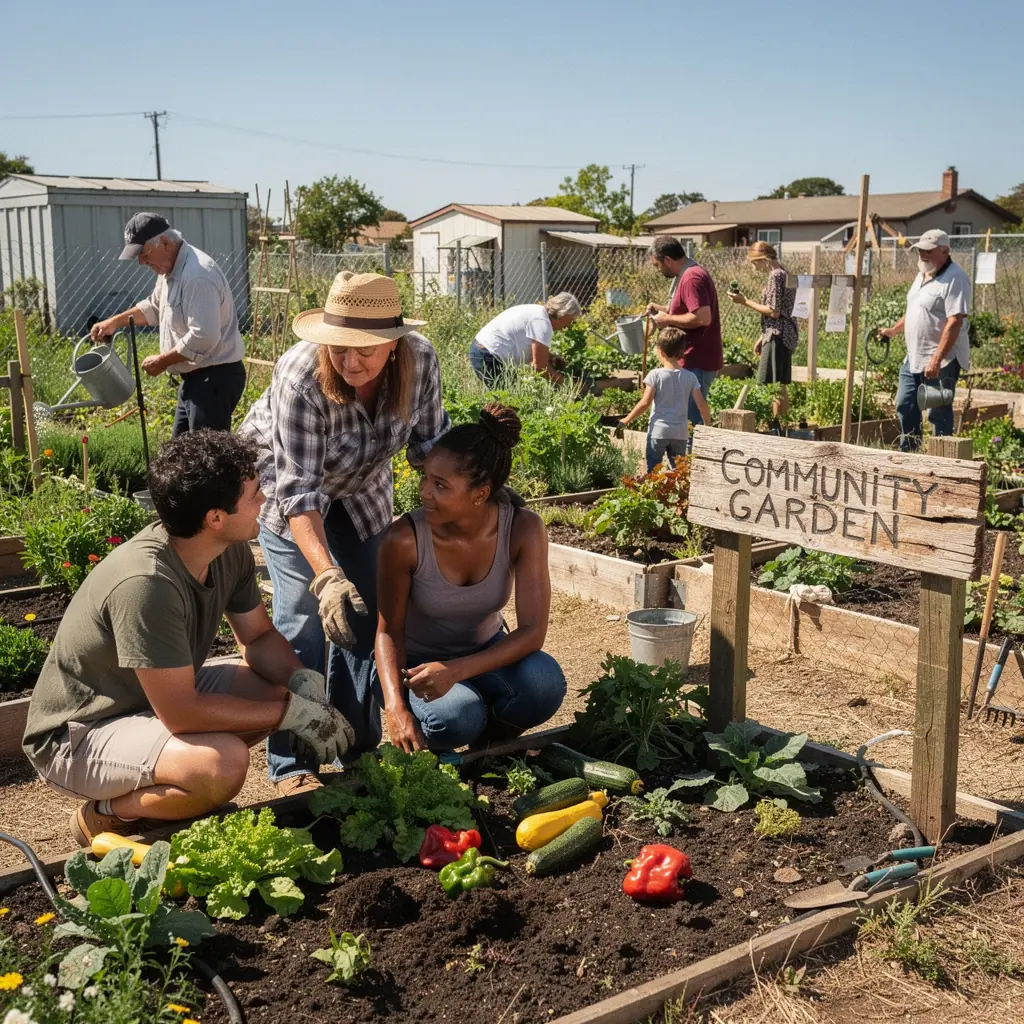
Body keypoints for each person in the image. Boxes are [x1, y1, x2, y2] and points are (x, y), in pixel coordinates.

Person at [21, 431, 354, 845]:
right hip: (79, 733)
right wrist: (293, 714)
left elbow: (258, 635)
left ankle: (182, 792)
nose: (265, 500)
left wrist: (302, 683)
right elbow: (182, 712)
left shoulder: (225, 550)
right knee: (222, 766)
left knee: (269, 689)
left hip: (149, 703)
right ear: (215, 517)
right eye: (253, 493)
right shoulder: (147, 584)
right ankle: (105, 816)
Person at [239, 271, 450, 795]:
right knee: (304, 618)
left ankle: (353, 745)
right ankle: (290, 762)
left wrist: (479, 472)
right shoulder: (300, 377)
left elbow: (429, 446)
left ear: (395, 343)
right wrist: (327, 575)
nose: (350, 362)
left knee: (368, 610)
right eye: (339, 348)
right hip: (288, 487)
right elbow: (299, 494)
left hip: (361, 486)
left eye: (365, 351)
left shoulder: (420, 361)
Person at [374, 403, 566, 752]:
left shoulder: (523, 529)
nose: (424, 493)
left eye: (441, 485)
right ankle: (461, 721)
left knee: (545, 683)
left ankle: (489, 746)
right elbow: (388, 632)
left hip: (485, 652)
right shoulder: (403, 540)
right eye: (425, 478)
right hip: (419, 665)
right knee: (457, 716)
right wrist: (396, 706)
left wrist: (456, 671)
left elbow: (532, 632)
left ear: (480, 493)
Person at [90, 213, 247, 437]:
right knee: (180, 457)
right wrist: (114, 322)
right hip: (196, 380)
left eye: (143, 254)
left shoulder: (197, 275)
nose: (141, 262)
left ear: (165, 243)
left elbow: (204, 337)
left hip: (214, 380)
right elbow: (154, 307)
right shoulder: (171, 269)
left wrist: (162, 361)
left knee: (206, 463)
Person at [879, 229, 970, 451]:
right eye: (920, 250)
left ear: (945, 251)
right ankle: (910, 454)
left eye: (928, 251)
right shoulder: (922, 274)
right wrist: (893, 330)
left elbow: (954, 321)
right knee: (904, 403)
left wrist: (936, 359)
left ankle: (942, 462)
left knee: (937, 412)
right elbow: (915, 310)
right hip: (913, 357)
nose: (922, 254)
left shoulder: (955, 278)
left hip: (943, 360)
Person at [646, 237, 723, 441]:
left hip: (697, 360)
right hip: (695, 358)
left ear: (668, 260)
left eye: (657, 264)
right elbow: (690, 310)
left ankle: (691, 466)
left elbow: (702, 317)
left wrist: (667, 319)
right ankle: (686, 464)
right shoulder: (691, 273)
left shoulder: (691, 278)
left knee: (690, 421)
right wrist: (662, 310)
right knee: (687, 418)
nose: (658, 270)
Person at [618, 327, 711, 472]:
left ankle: (654, 493)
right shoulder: (690, 377)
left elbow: (645, 403)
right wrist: (707, 424)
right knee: (679, 472)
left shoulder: (655, 375)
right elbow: (701, 404)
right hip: (680, 433)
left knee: (653, 472)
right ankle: (679, 493)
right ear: (682, 352)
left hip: (658, 432)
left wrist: (626, 420)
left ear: (660, 351)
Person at [727, 241, 798, 419]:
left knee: (774, 385)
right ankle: (782, 424)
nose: (753, 267)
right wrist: (762, 336)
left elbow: (773, 311)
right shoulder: (785, 271)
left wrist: (744, 301)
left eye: (754, 262)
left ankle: (777, 425)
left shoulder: (775, 275)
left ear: (764, 259)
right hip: (785, 333)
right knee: (780, 383)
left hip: (778, 333)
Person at [469, 293, 582, 386]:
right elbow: (540, 367)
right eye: (571, 319)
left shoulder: (538, 312)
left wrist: (551, 357)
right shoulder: (542, 323)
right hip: (489, 355)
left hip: (484, 351)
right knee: (507, 402)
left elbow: (535, 349)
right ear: (563, 315)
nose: (570, 324)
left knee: (508, 397)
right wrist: (569, 385)